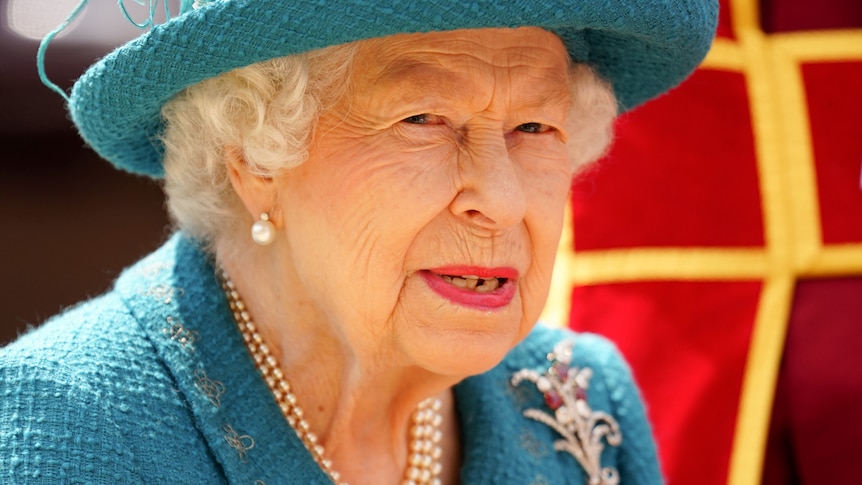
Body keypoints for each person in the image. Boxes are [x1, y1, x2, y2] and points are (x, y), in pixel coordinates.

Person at [0, 1, 717, 483]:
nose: (499, 200)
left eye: (535, 128)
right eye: (424, 119)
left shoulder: (583, 411)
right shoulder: (64, 427)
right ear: (254, 154)